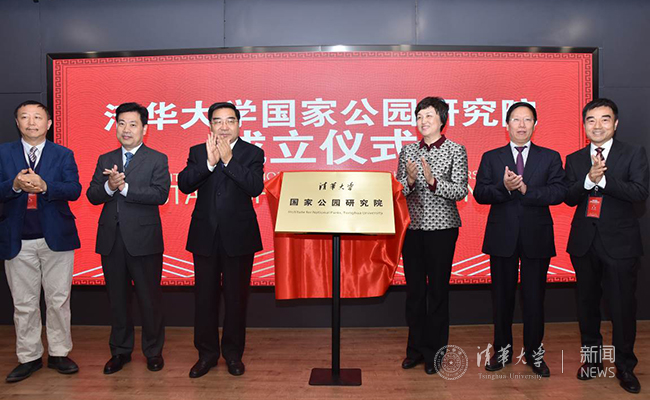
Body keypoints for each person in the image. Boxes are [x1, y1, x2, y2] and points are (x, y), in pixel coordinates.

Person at [474, 102, 565, 377]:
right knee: (502, 299)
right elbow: (480, 194)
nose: (522, 125)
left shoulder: (550, 157)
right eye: (516, 119)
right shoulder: (492, 157)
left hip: (537, 236)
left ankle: (535, 355)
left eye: (527, 119)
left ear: (535, 125)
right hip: (502, 236)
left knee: (534, 298)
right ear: (507, 125)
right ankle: (501, 352)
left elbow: (558, 192)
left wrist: (526, 189)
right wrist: (504, 187)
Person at [565, 98, 648, 394]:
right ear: (584, 124)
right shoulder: (575, 159)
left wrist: (605, 179)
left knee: (622, 308)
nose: (597, 125)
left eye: (604, 119)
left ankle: (625, 366)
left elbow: (639, 192)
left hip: (621, 245)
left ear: (615, 123)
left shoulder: (633, 153)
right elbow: (568, 196)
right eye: (591, 120)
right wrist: (588, 180)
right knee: (587, 307)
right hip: (584, 243)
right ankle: (592, 361)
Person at [178, 102, 264, 378]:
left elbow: (255, 187)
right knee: (205, 298)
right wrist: (209, 163)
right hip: (205, 235)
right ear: (210, 125)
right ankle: (206, 354)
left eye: (230, 121)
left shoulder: (253, 152)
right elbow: (184, 184)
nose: (224, 126)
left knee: (236, 299)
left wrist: (228, 161)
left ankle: (233, 354)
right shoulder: (198, 151)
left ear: (239, 124)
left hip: (239, 236)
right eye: (218, 121)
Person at [86, 102, 170, 374]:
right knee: (118, 300)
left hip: (144, 240)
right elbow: (92, 195)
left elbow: (160, 194)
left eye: (133, 124)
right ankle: (120, 351)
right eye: (121, 123)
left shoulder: (157, 158)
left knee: (149, 299)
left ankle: (153, 351)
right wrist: (109, 187)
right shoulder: (105, 158)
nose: (126, 129)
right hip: (111, 240)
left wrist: (124, 188)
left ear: (145, 128)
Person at [0, 100, 81, 382]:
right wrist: (13, 186)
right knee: (24, 303)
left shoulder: (63, 154)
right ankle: (29, 357)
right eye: (25, 117)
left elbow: (74, 190)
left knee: (58, 300)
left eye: (37, 117)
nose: (31, 122)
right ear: (17, 123)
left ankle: (59, 353)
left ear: (48, 124)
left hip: (56, 237)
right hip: (17, 239)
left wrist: (46, 186)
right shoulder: (3, 153)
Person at [396, 97, 468, 374]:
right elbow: (399, 190)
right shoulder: (408, 151)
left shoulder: (455, 150)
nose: (423, 121)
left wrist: (433, 182)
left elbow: (460, 190)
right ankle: (414, 350)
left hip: (443, 230)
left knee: (437, 292)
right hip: (413, 230)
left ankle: (435, 354)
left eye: (428, 116)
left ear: (441, 120)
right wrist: (411, 181)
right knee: (415, 292)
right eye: (419, 116)